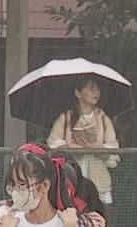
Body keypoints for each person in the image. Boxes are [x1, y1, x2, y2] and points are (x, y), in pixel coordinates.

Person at [47, 77, 121, 206]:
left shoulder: (103, 119)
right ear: (78, 93)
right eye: (91, 89)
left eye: (97, 89)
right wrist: (70, 147)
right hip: (71, 176)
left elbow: (113, 147)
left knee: (100, 217)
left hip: (98, 178)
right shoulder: (65, 118)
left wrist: (94, 147)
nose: (95, 93)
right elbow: (53, 145)